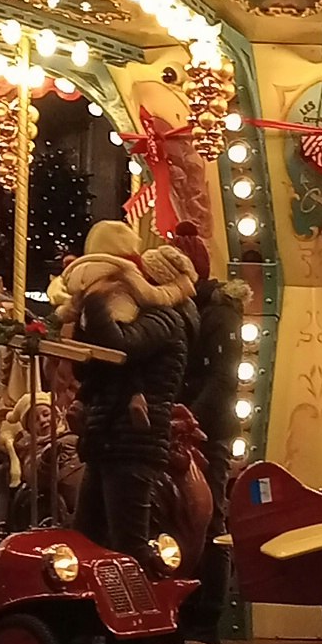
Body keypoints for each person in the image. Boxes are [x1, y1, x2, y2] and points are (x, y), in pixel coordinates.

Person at [57, 223, 198, 566]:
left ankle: (143, 608)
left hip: (133, 443)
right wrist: (79, 320)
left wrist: (94, 299)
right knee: (86, 539)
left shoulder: (164, 319)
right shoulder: (131, 318)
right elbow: (88, 369)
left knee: (128, 542)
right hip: (107, 439)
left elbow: (120, 348)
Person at [175, 230, 243, 644]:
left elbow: (221, 379)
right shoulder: (181, 310)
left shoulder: (218, 314)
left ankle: (207, 625)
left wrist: (187, 419)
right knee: (179, 520)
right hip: (181, 427)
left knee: (211, 519)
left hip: (209, 430)